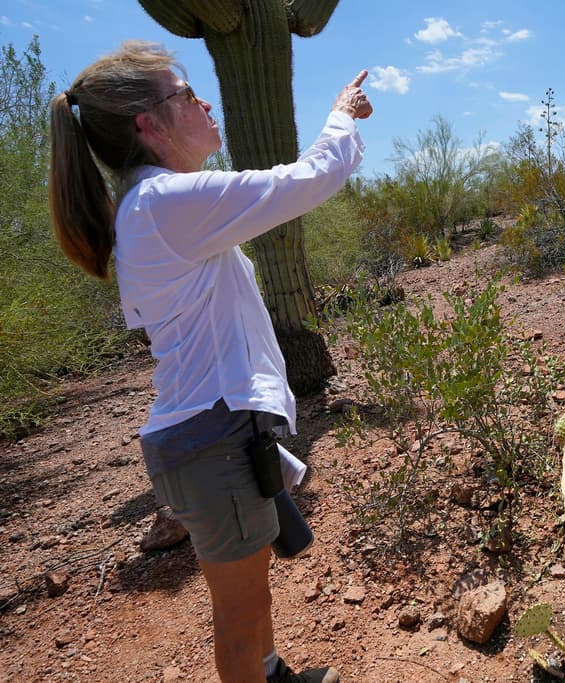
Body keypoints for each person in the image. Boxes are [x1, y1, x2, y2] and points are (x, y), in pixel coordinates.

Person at [48, 40, 372, 683]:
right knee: (238, 612)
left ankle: (273, 673)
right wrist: (341, 115)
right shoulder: (163, 205)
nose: (202, 102)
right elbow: (306, 180)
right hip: (212, 443)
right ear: (148, 123)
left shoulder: (153, 208)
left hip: (219, 434)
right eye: (184, 94)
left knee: (253, 599)